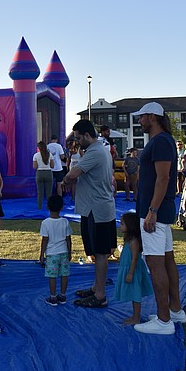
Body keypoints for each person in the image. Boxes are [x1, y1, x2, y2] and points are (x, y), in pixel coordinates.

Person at [131, 102, 186, 335]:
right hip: (159, 211)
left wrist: (152, 211)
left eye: (142, 117)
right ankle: (174, 310)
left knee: (155, 263)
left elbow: (163, 178)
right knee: (166, 260)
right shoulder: (162, 141)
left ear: (152, 117)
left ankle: (164, 320)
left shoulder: (160, 141)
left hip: (155, 212)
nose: (139, 121)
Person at [63, 119, 115, 309]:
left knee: (100, 254)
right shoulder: (101, 149)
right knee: (97, 252)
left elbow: (72, 175)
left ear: (87, 135)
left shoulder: (94, 151)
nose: (77, 142)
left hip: (97, 209)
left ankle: (100, 295)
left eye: (78, 138)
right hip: (96, 207)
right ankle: (96, 287)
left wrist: (66, 179)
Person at [114, 212, 152, 325]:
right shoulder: (129, 240)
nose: (120, 226)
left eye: (122, 224)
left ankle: (136, 317)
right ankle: (135, 315)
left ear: (129, 226)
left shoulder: (134, 241)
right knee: (133, 293)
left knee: (136, 293)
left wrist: (130, 273)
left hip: (133, 270)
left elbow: (135, 258)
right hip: (129, 269)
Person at [39, 194, 73, 306]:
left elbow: (45, 240)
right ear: (62, 207)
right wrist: (69, 252)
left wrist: (41, 254)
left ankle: (53, 297)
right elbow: (68, 239)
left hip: (52, 253)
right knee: (64, 274)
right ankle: (62, 296)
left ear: (48, 207)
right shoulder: (65, 222)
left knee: (52, 276)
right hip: (63, 252)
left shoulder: (45, 223)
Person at [33, 141, 55, 209]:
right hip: (48, 173)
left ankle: (39, 207)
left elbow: (35, 167)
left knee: (40, 192)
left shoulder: (36, 155)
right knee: (49, 193)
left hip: (40, 173)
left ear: (39, 148)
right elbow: (52, 166)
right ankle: (49, 207)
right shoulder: (50, 155)